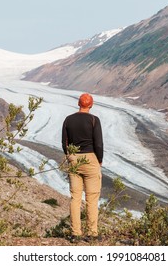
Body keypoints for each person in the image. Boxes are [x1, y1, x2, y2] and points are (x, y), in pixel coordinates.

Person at [61, 93, 103, 242]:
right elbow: (98, 143)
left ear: (79, 103)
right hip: (90, 158)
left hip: (74, 159)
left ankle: (75, 233)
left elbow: (64, 142)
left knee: (75, 198)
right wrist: (99, 160)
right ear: (91, 105)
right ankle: (92, 234)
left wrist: (70, 156)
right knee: (92, 198)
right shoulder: (94, 120)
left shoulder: (68, 119)